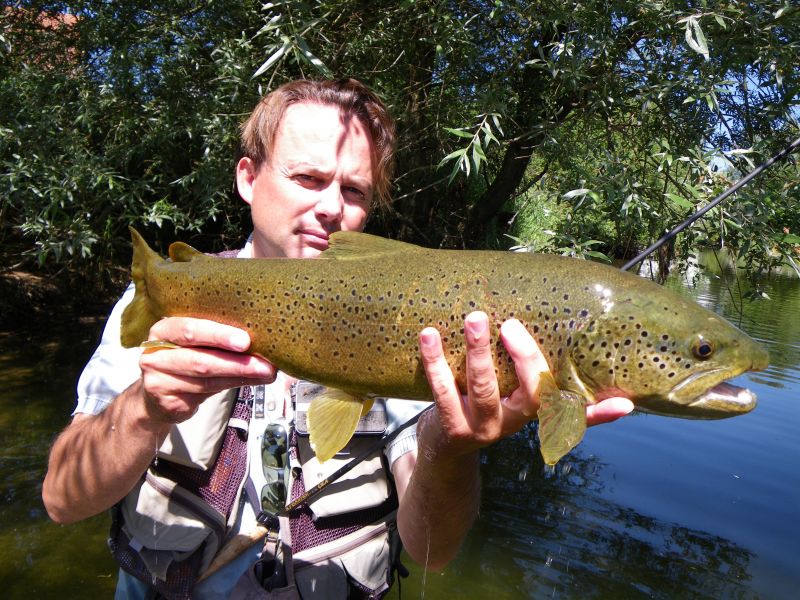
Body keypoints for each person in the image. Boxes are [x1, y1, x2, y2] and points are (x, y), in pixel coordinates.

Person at [42, 78, 633, 599]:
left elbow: (432, 552)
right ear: (248, 178)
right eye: (308, 178)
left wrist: (451, 448)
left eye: (354, 191)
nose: (332, 208)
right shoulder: (174, 302)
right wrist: (144, 409)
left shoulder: (418, 321)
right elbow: (62, 500)